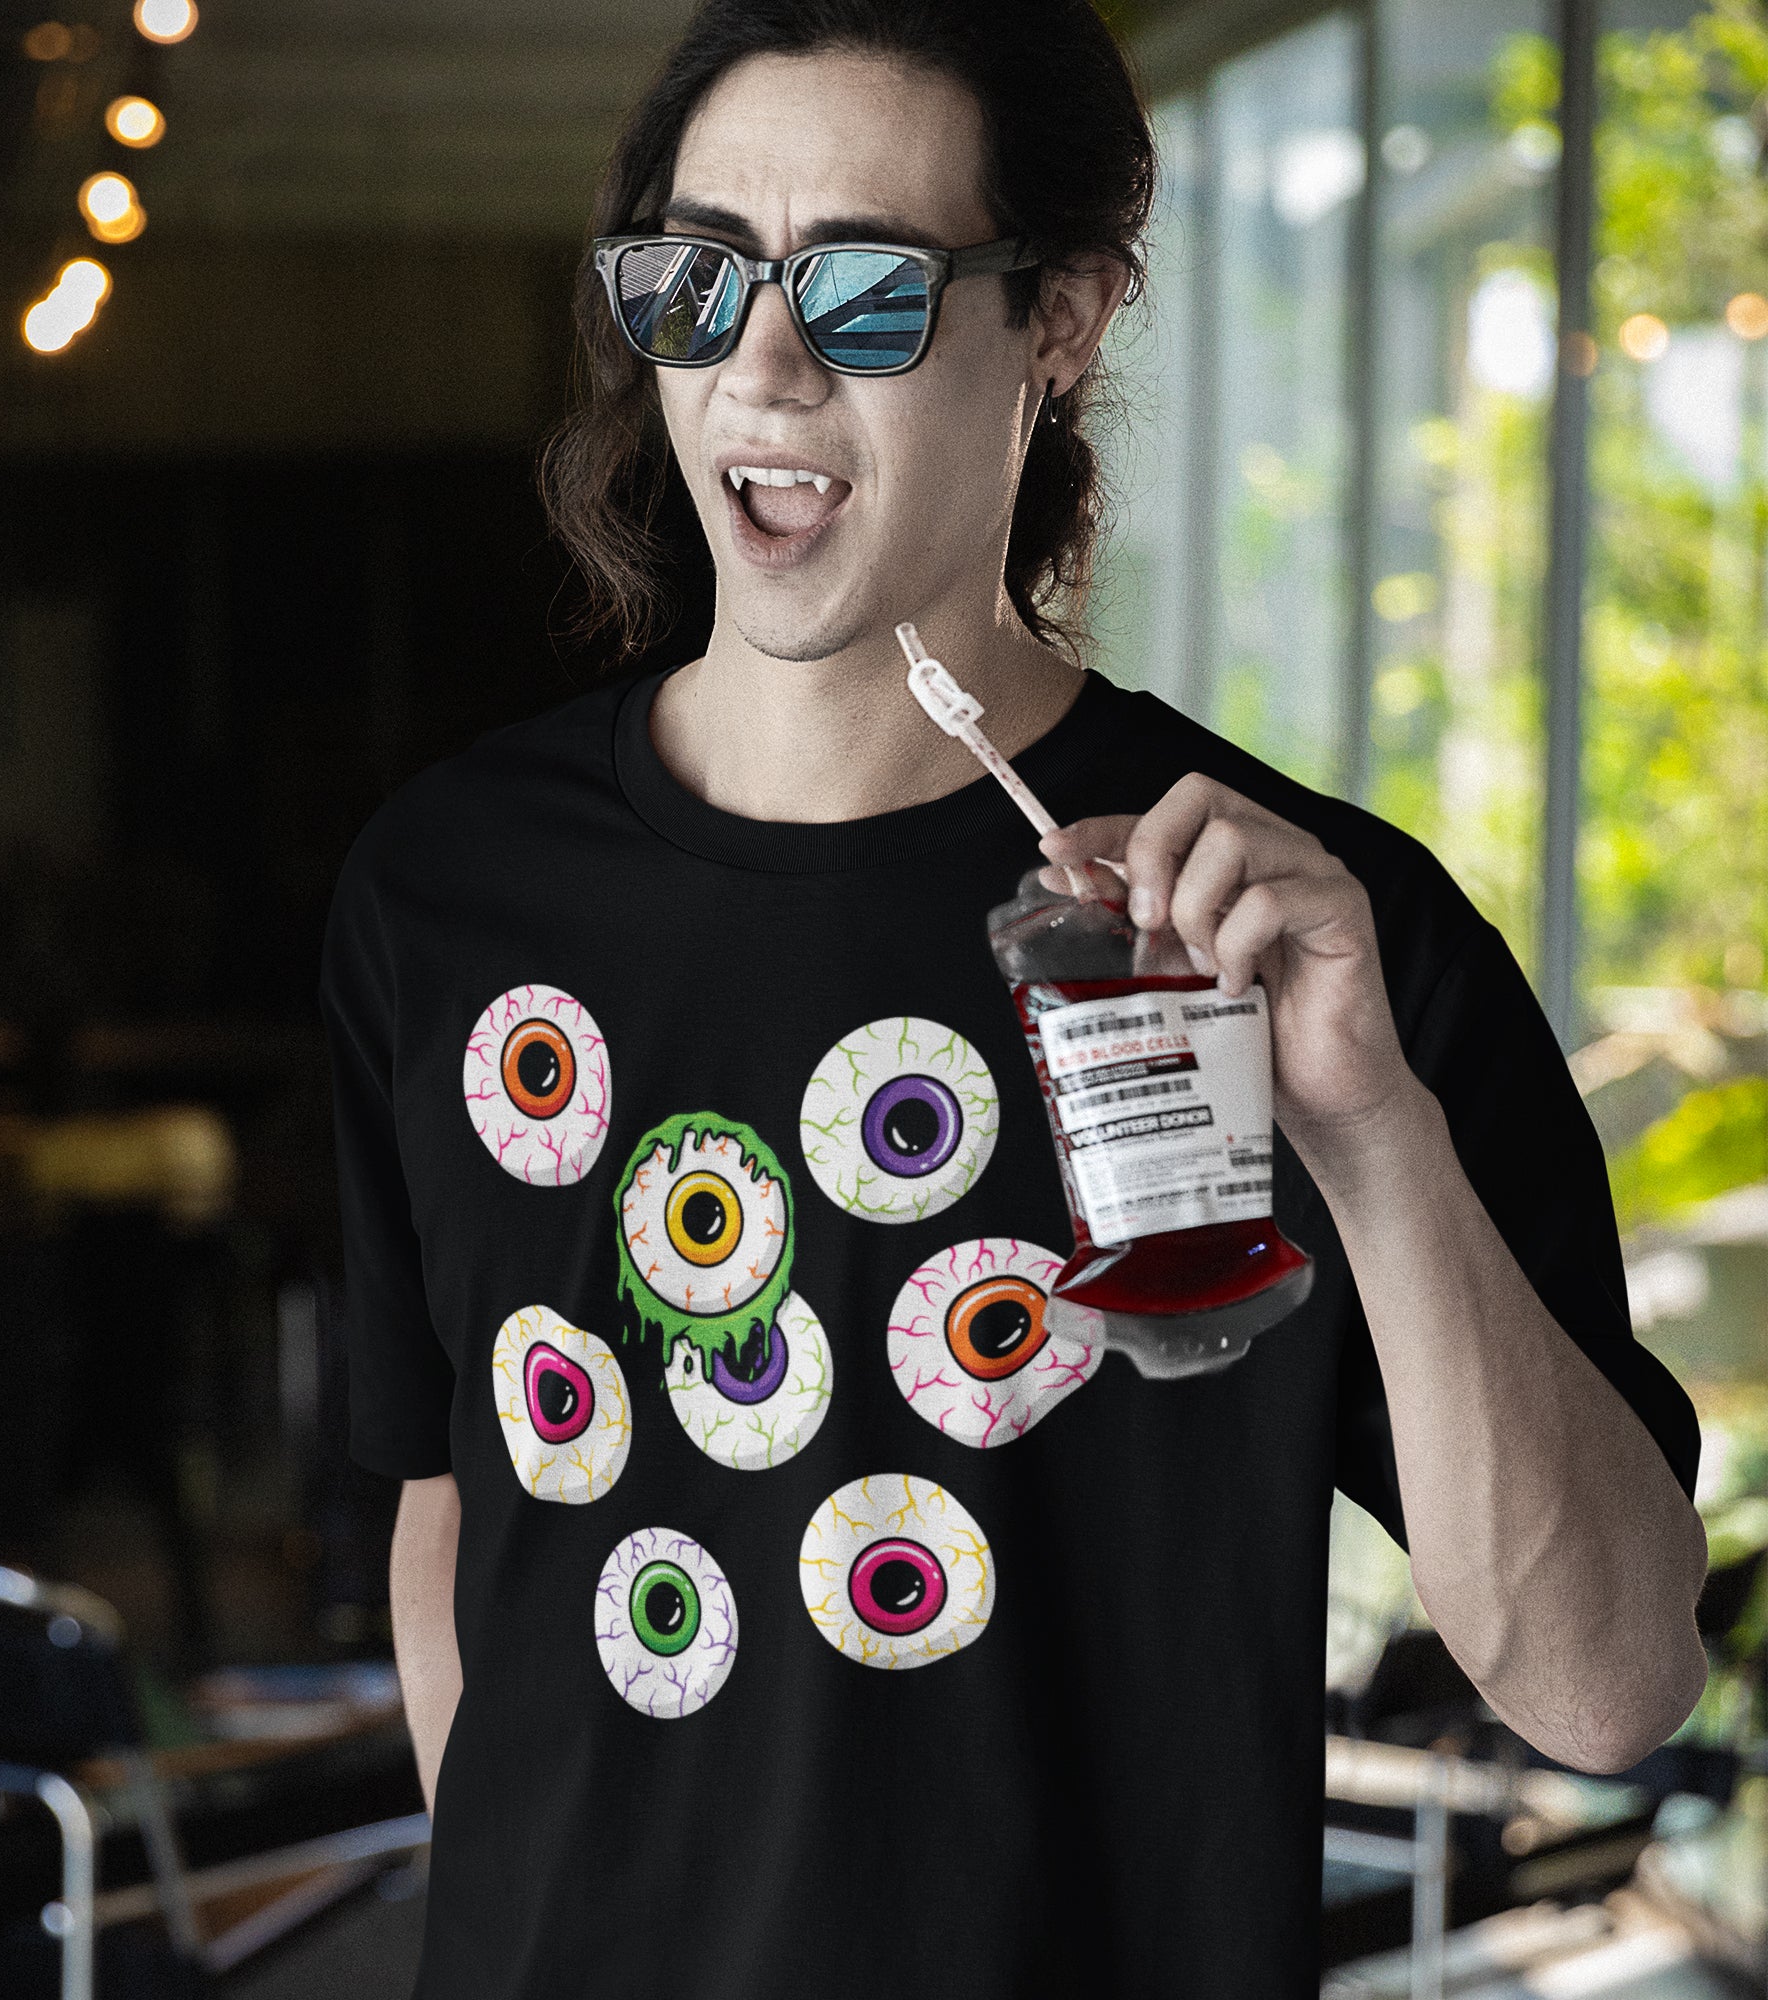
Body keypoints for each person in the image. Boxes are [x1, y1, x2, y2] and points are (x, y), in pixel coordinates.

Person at [319, 2, 1707, 1991]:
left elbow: (1608, 1681)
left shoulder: (1304, 936)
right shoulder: (444, 894)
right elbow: (464, 1507)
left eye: (867, 294)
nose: (762, 367)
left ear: (1059, 319)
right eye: (697, 278)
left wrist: (1369, 1134)